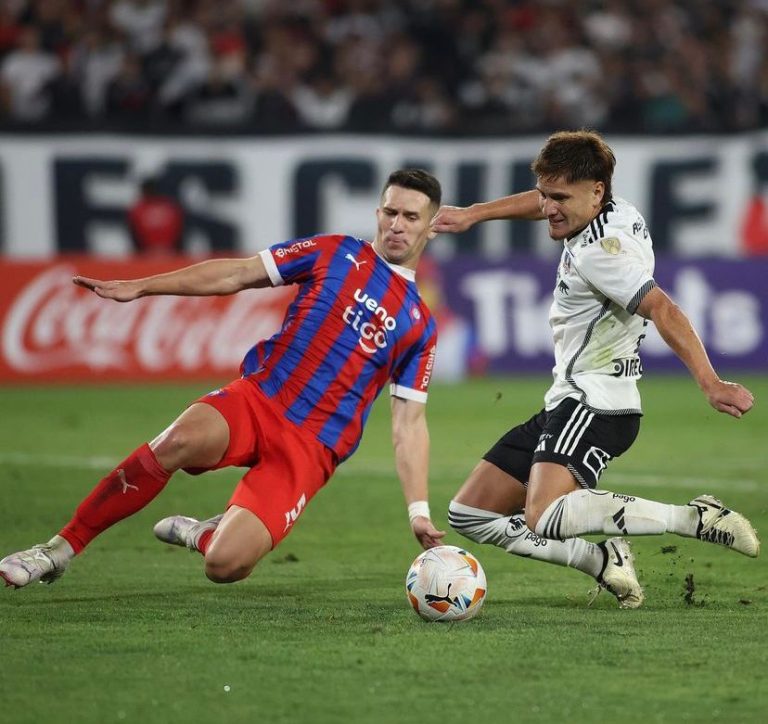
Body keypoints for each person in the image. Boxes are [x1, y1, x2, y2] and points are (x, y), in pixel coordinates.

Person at [0, 169, 446, 589]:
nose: (397, 224)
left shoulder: (419, 324)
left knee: (225, 566)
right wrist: (143, 287)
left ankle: (204, 534)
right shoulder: (335, 251)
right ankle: (58, 549)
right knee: (175, 442)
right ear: (378, 213)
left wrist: (418, 510)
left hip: (312, 446)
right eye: (390, 212)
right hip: (260, 399)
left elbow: (409, 422)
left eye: (411, 217)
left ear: (429, 228)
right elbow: (237, 272)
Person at [431, 130, 760, 609]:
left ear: (595, 191)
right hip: (566, 400)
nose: (547, 208)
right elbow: (542, 196)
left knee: (541, 515)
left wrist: (710, 383)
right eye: (545, 195)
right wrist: (476, 214)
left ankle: (694, 519)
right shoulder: (617, 209)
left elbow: (664, 309)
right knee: (470, 514)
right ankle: (599, 559)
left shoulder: (600, 255)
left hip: (595, 404)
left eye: (559, 198)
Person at [127, 177, 185, 255]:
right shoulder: (171, 207)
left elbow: (134, 235)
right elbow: (180, 233)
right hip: (170, 253)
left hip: (147, 254)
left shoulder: (138, 209)